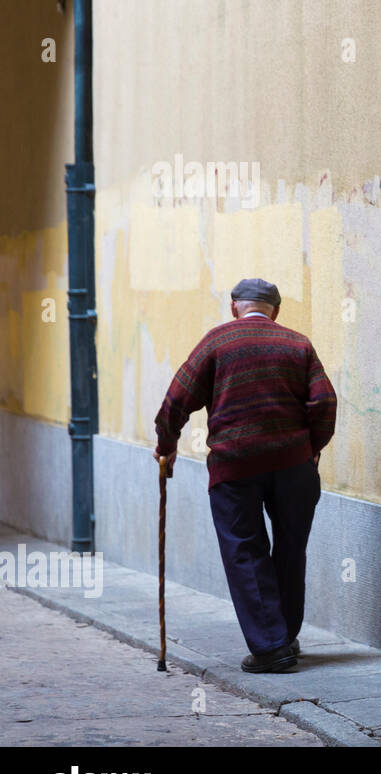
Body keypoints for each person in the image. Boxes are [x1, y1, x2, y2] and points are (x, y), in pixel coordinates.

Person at [152, 278, 337, 673]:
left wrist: (167, 444)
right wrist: (311, 449)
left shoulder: (216, 342)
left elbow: (176, 399)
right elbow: (324, 401)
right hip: (294, 466)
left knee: (245, 549)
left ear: (234, 305)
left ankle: (272, 647)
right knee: (290, 548)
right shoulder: (298, 344)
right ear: (276, 310)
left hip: (235, 466)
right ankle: (283, 637)